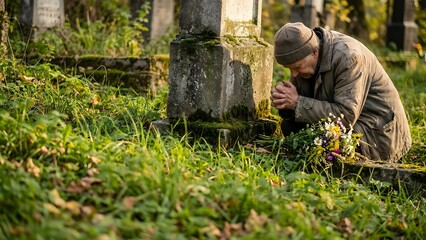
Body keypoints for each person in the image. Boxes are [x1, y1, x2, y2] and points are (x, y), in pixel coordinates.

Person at [270, 22, 412, 162]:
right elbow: (300, 107)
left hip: (377, 132)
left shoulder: (349, 58)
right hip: (344, 124)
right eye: (288, 68)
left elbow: (345, 116)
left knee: (325, 150)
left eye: (297, 67)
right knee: (291, 129)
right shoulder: (303, 57)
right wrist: (285, 103)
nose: (294, 74)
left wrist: (297, 102)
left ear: (314, 52)